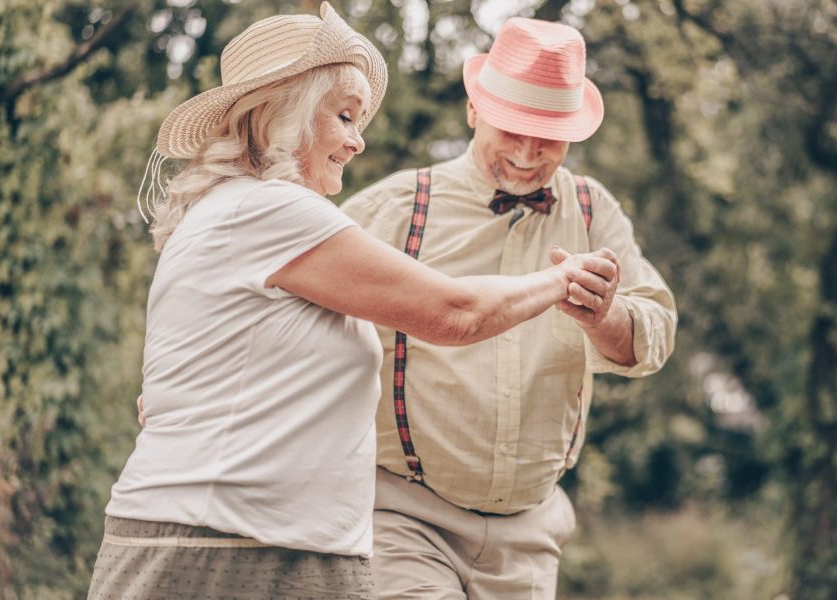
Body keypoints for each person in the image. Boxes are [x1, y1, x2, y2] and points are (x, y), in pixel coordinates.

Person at [88, 4, 602, 599]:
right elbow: (454, 313)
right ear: (287, 111)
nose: (359, 142)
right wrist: (567, 280)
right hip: (224, 546)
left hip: (267, 541)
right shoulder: (268, 211)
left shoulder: (243, 215)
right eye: (344, 116)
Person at [339, 15, 678, 600]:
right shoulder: (399, 205)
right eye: (512, 128)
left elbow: (655, 332)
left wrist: (607, 318)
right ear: (474, 110)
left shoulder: (594, 211)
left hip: (530, 536)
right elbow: (290, 294)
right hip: (403, 518)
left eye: (547, 135)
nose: (526, 153)